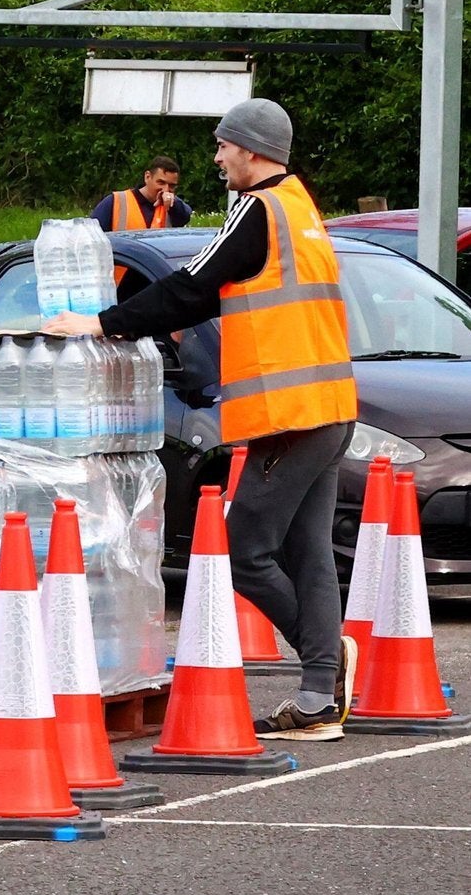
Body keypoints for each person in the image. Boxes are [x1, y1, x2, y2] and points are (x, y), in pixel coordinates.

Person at [47, 98, 356, 737]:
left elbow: (189, 287)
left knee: (245, 547)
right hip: (328, 406)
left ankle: (326, 667)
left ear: (251, 149)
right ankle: (320, 696)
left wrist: (101, 322)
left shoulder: (258, 209)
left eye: (222, 145)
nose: (215, 158)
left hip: (288, 416)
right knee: (306, 552)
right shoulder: (301, 206)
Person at [93, 156, 193, 232]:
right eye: (161, 183)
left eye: (172, 186)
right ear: (147, 177)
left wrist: (174, 203)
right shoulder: (115, 201)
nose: (166, 190)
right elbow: (91, 235)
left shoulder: (174, 207)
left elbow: (186, 216)